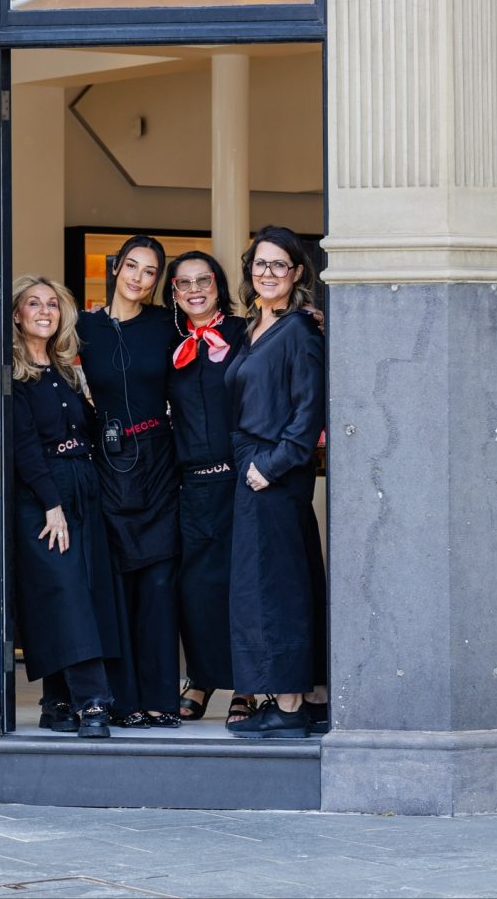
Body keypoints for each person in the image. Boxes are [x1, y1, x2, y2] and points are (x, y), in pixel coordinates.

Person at [224, 225, 328, 739]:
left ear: (297, 273)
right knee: (264, 584)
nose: (268, 274)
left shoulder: (301, 332)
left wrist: (273, 465)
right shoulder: (250, 330)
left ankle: (289, 707)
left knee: (276, 588)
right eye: (259, 265)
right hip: (253, 469)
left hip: (274, 475)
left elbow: (309, 413)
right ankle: (301, 697)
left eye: (278, 265)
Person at [76, 236, 180, 728]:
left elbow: (223, 329)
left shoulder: (167, 324)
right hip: (107, 459)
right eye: (132, 267)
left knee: (158, 582)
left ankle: (161, 698)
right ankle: (123, 699)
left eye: (150, 271)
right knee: (116, 583)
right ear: (116, 269)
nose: (139, 278)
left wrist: (308, 317)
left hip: (159, 458)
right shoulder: (83, 326)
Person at [11, 274, 119, 739]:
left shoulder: (65, 370)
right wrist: (51, 504)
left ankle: (57, 703)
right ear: (17, 314)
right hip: (43, 492)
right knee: (65, 592)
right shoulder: (12, 373)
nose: (44, 311)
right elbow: (23, 446)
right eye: (33, 303)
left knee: (82, 589)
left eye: (51, 304)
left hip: (83, 483)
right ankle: (93, 702)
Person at [163, 250, 256, 729]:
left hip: (241, 480)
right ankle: (200, 678)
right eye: (184, 283)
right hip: (191, 483)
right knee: (195, 588)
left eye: (204, 280)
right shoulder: (169, 339)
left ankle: (246, 685)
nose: (195, 289)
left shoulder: (247, 333)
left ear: (219, 286)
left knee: (239, 586)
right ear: (174, 292)